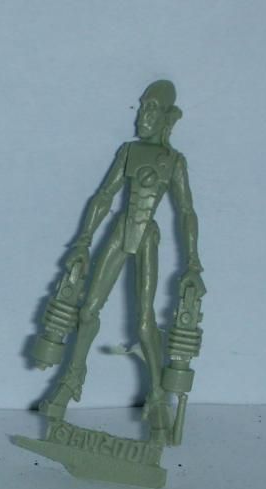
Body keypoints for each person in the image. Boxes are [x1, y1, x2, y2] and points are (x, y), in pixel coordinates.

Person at [39, 80, 203, 438]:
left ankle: (157, 398)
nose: (143, 116)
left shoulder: (174, 162)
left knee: (144, 323)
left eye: (152, 109)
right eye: (142, 107)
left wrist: (193, 263)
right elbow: (104, 196)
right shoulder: (129, 151)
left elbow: (186, 212)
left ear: (166, 116)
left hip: (147, 239)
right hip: (119, 232)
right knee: (86, 311)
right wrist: (83, 241)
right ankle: (70, 381)